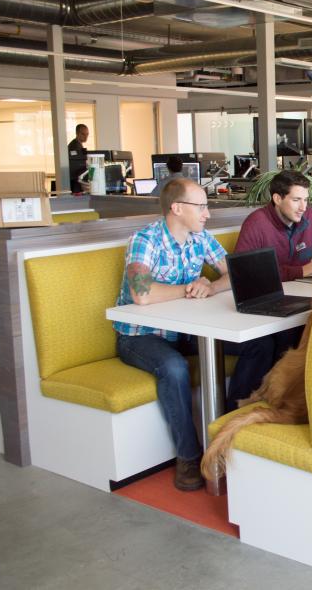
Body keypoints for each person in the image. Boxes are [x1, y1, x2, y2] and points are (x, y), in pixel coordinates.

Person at [114, 178, 232, 491]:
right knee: (174, 368)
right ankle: (189, 457)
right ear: (177, 208)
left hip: (185, 331)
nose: (207, 213)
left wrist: (209, 285)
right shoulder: (145, 240)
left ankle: (232, 434)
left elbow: (231, 272)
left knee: (255, 346)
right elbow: (141, 295)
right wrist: (187, 289)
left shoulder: (200, 237)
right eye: (201, 206)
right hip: (140, 336)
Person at [226, 169, 312, 411]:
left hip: (293, 297)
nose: (303, 207)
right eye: (296, 200)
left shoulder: (309, 217)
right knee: (269, 342)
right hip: (261, 300)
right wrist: (300, 271)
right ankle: (235, 410)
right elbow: (246, 271)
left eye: (305, 199)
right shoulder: (257, 223)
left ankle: (278, 401)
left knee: (301, 334)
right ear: (277, 199)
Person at [67, 123, 89, 193]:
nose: (86, 137)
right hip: (75, 178)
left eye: (87, 134)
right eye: (83, 134)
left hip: (77, 177)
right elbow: (77, 163)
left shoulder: (78, 145)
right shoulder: (74, 146)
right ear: (77, 133)